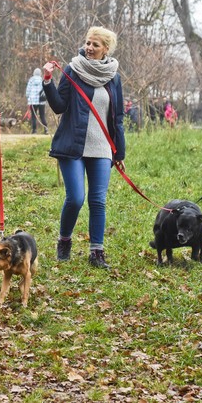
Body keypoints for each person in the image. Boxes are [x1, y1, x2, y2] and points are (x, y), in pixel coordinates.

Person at [42, 26, 124, 269]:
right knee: (76, 198)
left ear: (105, 49)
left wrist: (119, 152)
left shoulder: (113, 77)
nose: (89, 48)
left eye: (95, 45)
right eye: (87, 43)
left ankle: (96, 252)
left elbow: (116, 118)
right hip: (72, 145)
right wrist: (48, 82)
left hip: (102, 148)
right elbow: (59, 106)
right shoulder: (73, 70)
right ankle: (64, 240)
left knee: (98, 201)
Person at [25, 67, 48, 134]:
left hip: (33, 101)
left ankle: (34, 130)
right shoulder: (42, 80)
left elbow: (28, 90)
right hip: (41, 101)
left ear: (34, 73)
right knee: (42, 115)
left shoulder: (31, 80)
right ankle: (46, 129)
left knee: (34, 116)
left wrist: (28, 97)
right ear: (40, 74)